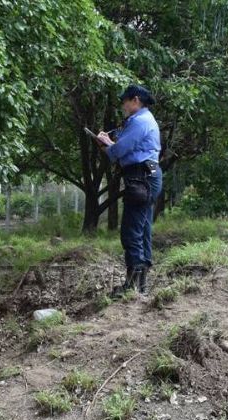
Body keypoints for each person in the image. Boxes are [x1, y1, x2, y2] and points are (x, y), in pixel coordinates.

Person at [96, 85, 162, 296]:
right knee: (142, 230)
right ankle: (141, 287)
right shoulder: (144, 120)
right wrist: (112, 144)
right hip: (146, 175)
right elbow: (125, 148)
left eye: (125, 101)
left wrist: (105, 145)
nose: (123, 106)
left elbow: (119, 151)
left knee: (131, 231)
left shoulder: (140, 121)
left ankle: (132, 286)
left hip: (141, 177)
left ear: (135, 100)